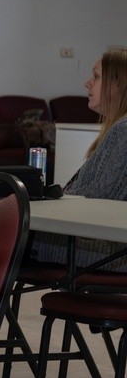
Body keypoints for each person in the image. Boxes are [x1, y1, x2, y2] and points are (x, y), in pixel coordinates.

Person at [30, 49, 127, 271]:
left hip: (107, 252)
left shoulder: (123, 130)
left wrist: (50, 200)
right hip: (105, 245)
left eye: (96, 76)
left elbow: (96, 199)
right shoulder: (119, 128)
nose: (87, 83)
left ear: (117, 84)